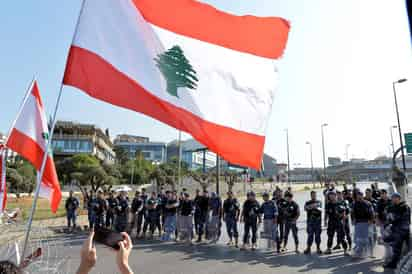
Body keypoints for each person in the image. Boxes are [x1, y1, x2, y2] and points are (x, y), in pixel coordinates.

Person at [383, 192, 411, 269]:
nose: (394, 199)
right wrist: (387, 223)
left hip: (403, 230)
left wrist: (391, 219)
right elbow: (388, 218)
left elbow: (400, 218)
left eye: (395, 198)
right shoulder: (392, 207)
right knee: (396, 248)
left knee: (406, 249)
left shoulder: (405, 207)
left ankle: (399, 264)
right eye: (392, 198)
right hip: (397, 230)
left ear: (399, 198)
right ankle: (394, 263)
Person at [352, 191, 374, 258]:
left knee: (368, 238)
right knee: (358, 239)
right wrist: (353, 220)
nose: (359, 196)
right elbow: (352, 213)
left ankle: (370, 253)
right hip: (358, 223)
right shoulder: (354, 204)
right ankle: (358, 253)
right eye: (358, 195)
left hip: (367, 222)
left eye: (360, 195)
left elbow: (371, 212)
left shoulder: (368, 203)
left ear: (362, 195)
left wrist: (371, 220)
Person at [324, 191, 348, 255]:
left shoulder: (340, 203)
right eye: (330, 195)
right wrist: (325, 221)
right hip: (331, 222)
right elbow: (326, 213)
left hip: (338, 222)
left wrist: (343, 220)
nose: (331, 196)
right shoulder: (328, 204)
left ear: (335, 196)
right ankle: (329, 249)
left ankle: (345, 250)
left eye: (333, 195)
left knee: (342, 237)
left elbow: (344, 213)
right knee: (330, 236)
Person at [376, 189, 391, 263]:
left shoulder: (390, 201)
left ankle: (391, 255)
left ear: (386, 193)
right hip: (382, 222)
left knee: (390, 239)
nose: (381, 195)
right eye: (380, 194)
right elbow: (377, 212)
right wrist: (377, 220)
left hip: (390, 223)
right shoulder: (379, 202)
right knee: (385, 239)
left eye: (382, 193)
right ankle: (387, 254)